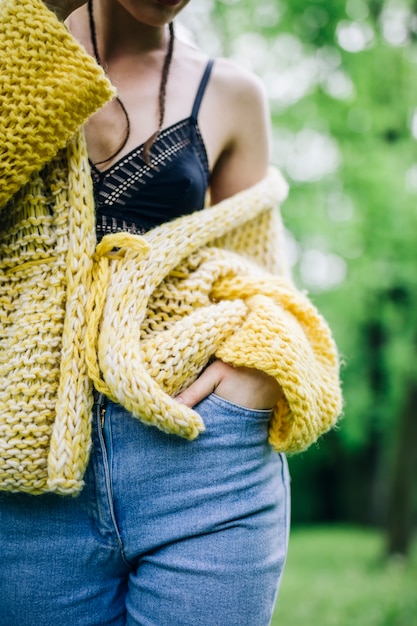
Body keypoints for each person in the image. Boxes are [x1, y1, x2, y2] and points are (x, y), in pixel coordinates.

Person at [0, 0, 342, 624]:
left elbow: (263, 281)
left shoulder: (234, 93)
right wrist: (33, 22)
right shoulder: (11, 41)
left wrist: (255, 373)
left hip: (199, 450)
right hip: (20, 471)